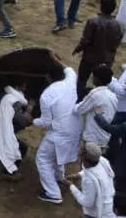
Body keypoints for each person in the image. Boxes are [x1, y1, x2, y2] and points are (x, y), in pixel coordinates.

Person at [35, 57, 82, 204]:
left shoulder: (46, 96)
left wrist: (32, 119)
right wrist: (55, 58)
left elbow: (45, 123)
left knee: (42, 159)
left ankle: (53, 193)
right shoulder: (70, 81)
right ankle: (59, 177)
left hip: (59, 133)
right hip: (75, 129)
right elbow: (69, 69)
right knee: (58, 156)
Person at [77, 0, 124, 98]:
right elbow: (117, 43)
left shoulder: (93, 21)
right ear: (114, 8)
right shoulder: (119, 25)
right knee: (101, 84)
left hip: (89, 58)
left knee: (82, 79)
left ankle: (79, 98)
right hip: (106, 60)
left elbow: (86, 40)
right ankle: (95, 100)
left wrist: (79, 48)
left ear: (101, 6)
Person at [68, 141, 116, 218]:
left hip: (96, 214)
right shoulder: (100, 160)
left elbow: (87, 202)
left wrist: (71, 186)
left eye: (82, 150)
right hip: (107, 205)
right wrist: (79, 175)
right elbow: (92, 170)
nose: (80, 149)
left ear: (84, 157)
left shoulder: (90, 180)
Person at [78, 64, 118, 150]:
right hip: (104, 138)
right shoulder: (113, 96)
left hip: (92, 138)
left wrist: (81, 98)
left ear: (98, 79)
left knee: (87, 162)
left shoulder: (95, 94)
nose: (92, 78)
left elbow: (79, 110)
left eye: (94, 76)